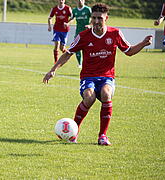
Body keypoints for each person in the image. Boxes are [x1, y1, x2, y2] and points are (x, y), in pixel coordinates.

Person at [43, 3, 152, 146]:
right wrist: (53, 70)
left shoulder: (115, 34)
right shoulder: (83, 36)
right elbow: (68, 54)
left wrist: (143, 44)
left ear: (106, 18)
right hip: (88, 77)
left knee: (106, 94)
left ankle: (102, 136)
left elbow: (129, 51)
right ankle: (73, 133)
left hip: (107, 77)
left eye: (99, 18)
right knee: (89, 97)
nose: (96, 21)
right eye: (93, 18)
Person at [48, 0, 72, 64]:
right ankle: (56, 61)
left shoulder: (68, 8)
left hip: (64, 30)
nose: (61, 1)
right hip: (56, 29)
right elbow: (49, 18)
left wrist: (68, 23)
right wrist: (49, 26)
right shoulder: (54, 9)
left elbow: (72, 18)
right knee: (57, 44)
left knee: (62, 48)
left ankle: (67, 55)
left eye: (62, 0)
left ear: (64, 0)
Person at [70, 0, 92, 68]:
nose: (80, 1)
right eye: (79, 0)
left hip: (87, 32)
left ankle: (89, 63)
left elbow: (93, 18)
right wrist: (67, 23)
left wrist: (90, 25)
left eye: (81, 0)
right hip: (78, 32)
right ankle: (79, 64)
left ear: (84, 1)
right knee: (76, 47)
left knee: (89, 47)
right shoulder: (74, 10)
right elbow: (71, 18)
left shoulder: (88, 9)